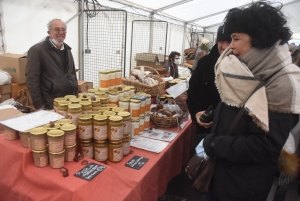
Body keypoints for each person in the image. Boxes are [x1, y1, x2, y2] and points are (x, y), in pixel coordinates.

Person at [196, 2, 300, 201]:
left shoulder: (281, 84)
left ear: (259, 40)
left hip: (242, 186)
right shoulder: (246, 71)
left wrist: (213, 143)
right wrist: (214, 114)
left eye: (236, 38)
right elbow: (237, 109)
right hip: (221, 172)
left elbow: (265, 146)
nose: (231, 45)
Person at [186, 24, 231, 144]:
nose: (225, 46)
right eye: (222, 41)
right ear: (217, 41)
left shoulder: (242, 66)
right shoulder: (204, 63)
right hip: (204, 127)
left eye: (229, 41)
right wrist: (197, 113)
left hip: (228, 131)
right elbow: (193, 93)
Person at [26, 19, 78, 110]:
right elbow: (32, 79)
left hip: (70, 101)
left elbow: (72, 73)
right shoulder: (37, 50)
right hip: (51, 103)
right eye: (57, 29)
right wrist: (38, 105)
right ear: (49, 32)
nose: (61, 32)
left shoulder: (67, 50)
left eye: (63, 29)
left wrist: (76, 95)